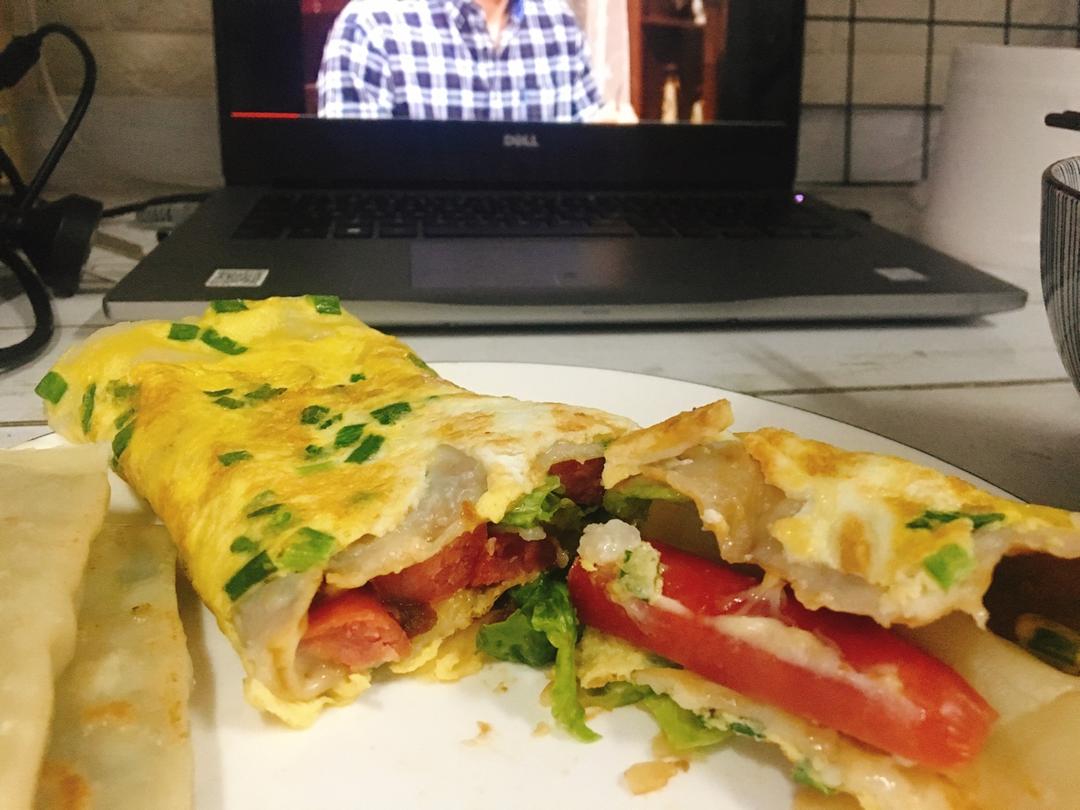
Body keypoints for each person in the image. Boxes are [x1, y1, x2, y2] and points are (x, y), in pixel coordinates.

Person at [317, 0, 603, 122]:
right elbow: (350, 183)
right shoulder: (370, 26)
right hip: (416, 224)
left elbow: (586, 155)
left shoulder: (559, 22)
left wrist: (613, 147)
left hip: (544, 226)